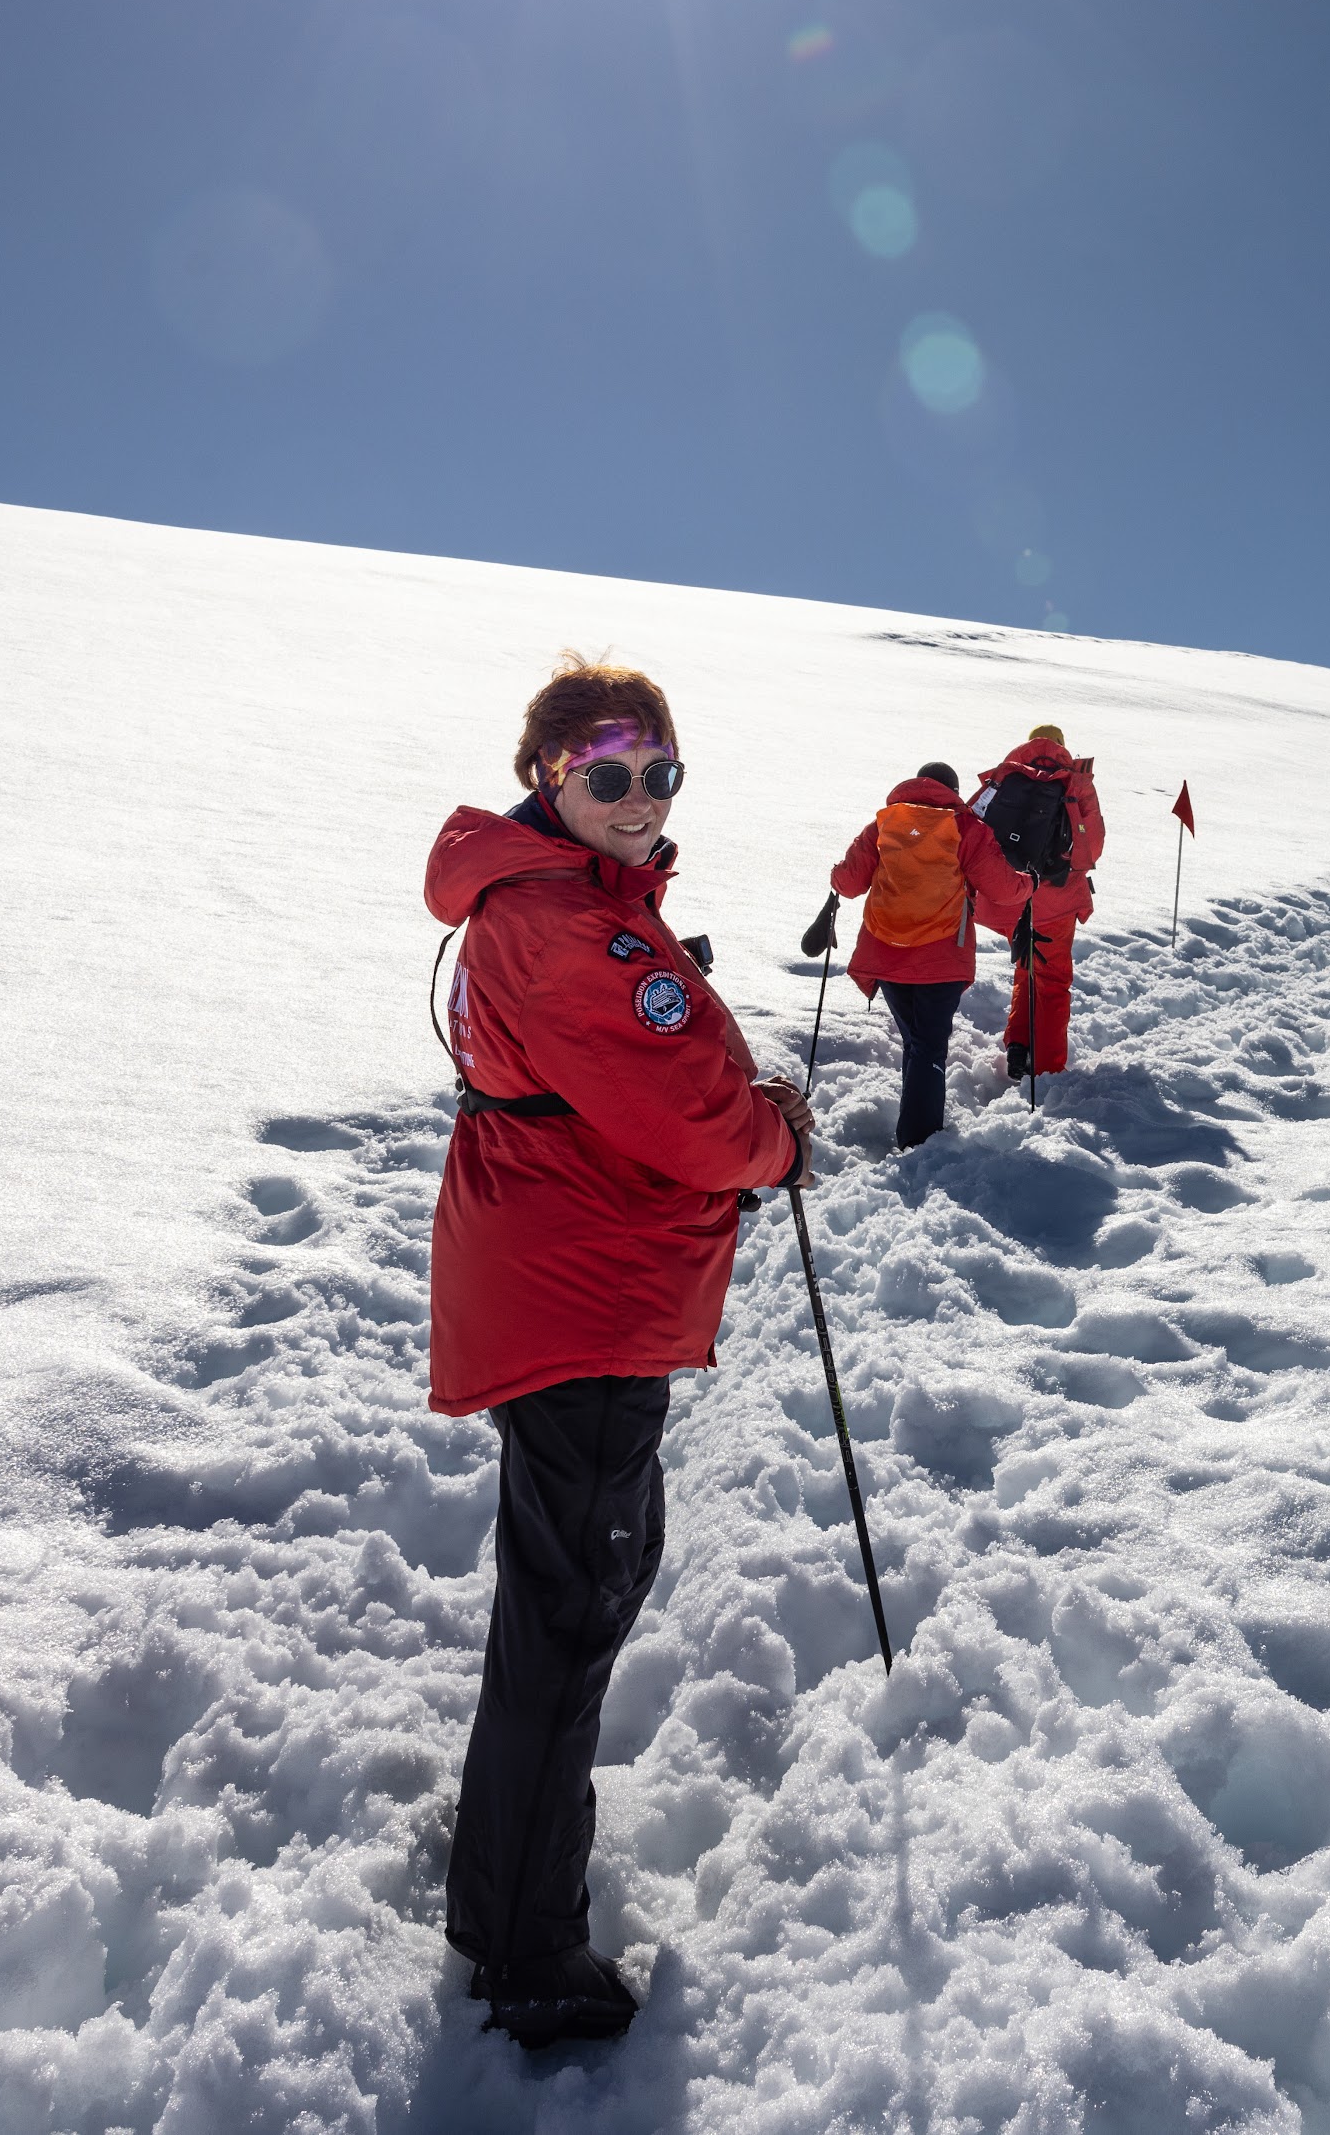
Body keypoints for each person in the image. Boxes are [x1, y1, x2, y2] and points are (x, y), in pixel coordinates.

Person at [423, 653, 812, 2050]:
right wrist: (775, 1136)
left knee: (570, 1581)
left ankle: (498, 1869)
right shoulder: (560, 924)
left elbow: (651, 1076)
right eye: (608, 773)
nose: (638, 797)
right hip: (577, 1283)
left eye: (657, 772)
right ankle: (525, 1945)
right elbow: (685, 1120)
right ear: (549, 777)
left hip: (567, 1268)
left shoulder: (568, 900)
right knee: (577, 1593)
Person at [824, 760, 1025, 1147]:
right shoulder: (966, 829)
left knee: (918, 1043)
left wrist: (836, 872)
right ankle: (919, 1139)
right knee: (928, 1045)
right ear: (951, 790)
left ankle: (915, 1124)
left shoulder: (885, 824)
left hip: (887, 955)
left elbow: (848, 883)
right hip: (940, 959)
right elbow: (1003, 889)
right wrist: (1028, 884)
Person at [970, 724, 1104, 1080]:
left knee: (1026, 968)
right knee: (1053, 983)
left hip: (1011, 897)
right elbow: (1092, 850)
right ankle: (1047, 1068)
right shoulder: (1077, 784)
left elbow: (970, 829)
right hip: (1055, 906)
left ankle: (1018, 1045)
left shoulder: (1005, 774)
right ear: (1063, 747)